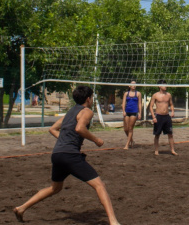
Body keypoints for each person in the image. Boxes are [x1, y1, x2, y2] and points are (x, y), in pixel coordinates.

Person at [13, 86, 120, 225]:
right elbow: (79, 128)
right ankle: (113, 222)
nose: (92, 100)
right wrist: (96, 140)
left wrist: (65, 140)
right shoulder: (86, 111)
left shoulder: (70, 112)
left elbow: (52, 129)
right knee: (100, 185)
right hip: (70, 155)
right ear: (88, 99)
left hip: (57, 154)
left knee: (55, 188)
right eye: (92, 97)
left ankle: (21, 208)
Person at [149, 79, 176, 156]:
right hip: (159, 116)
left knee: (170, 134)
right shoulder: (155, 95)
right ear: (159, 86)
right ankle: (156, 150)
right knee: (157, 134)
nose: (166, 86)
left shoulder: (169, 95)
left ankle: (172, 150)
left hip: (167, 116)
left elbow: (171, 104)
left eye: (166, 84)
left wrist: (173, 111)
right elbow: (151, 106)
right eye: (164, 85)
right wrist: (153, 117)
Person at [121, 81, 140, 150]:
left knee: (130, 128)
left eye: (135, 84)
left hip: (134, 112)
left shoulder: (138, 93)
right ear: (129, 86)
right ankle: (132, 140)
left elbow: (140, 104)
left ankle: (127, 144)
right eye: (132, 84)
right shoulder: (126, 93)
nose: (134, 85)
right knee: (125, 129)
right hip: (127, 112)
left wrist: (140, 113)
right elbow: (123, 103)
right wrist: (123, 111)